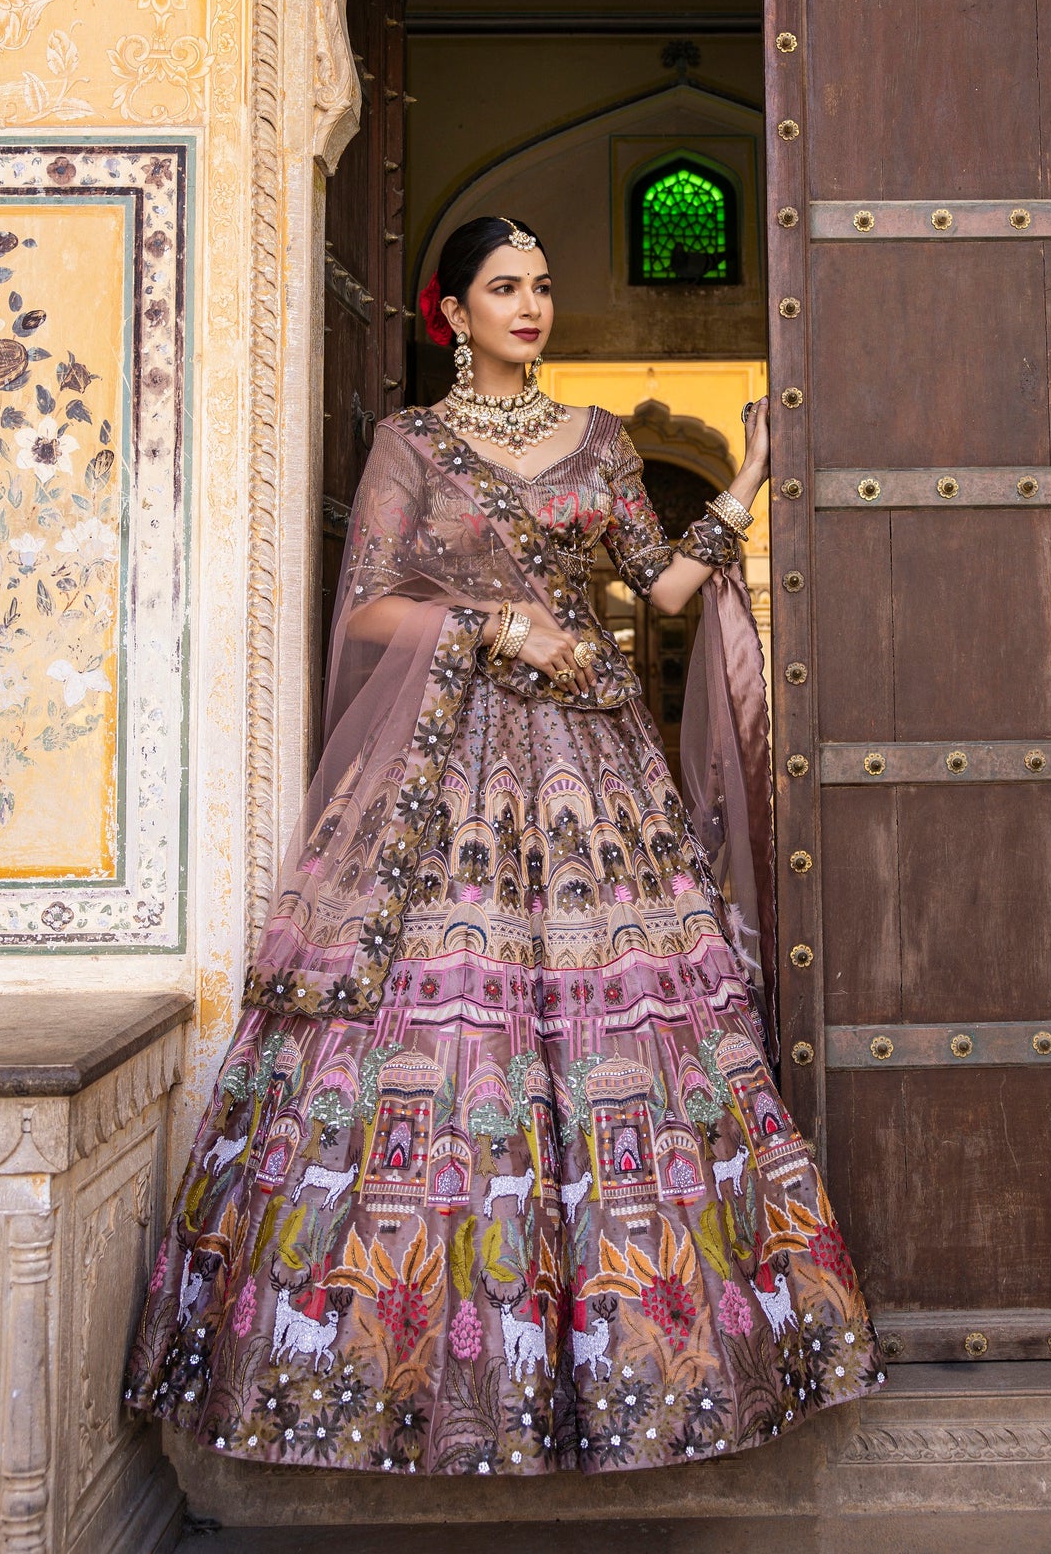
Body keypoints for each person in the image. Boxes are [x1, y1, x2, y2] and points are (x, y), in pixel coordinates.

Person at [125, 213, 881, 1475]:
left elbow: (661, 585)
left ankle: (662, 1364)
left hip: (593, 775)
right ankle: (390, 1373)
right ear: (452, 310)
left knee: (628, 1030)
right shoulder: (411, 443)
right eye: (502, 287)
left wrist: (748, 474)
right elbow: (369, 605)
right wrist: (497, 629)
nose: (528, 306)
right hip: (448, 776)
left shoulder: (599, 437)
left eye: (540, 285)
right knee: (445, 1034)